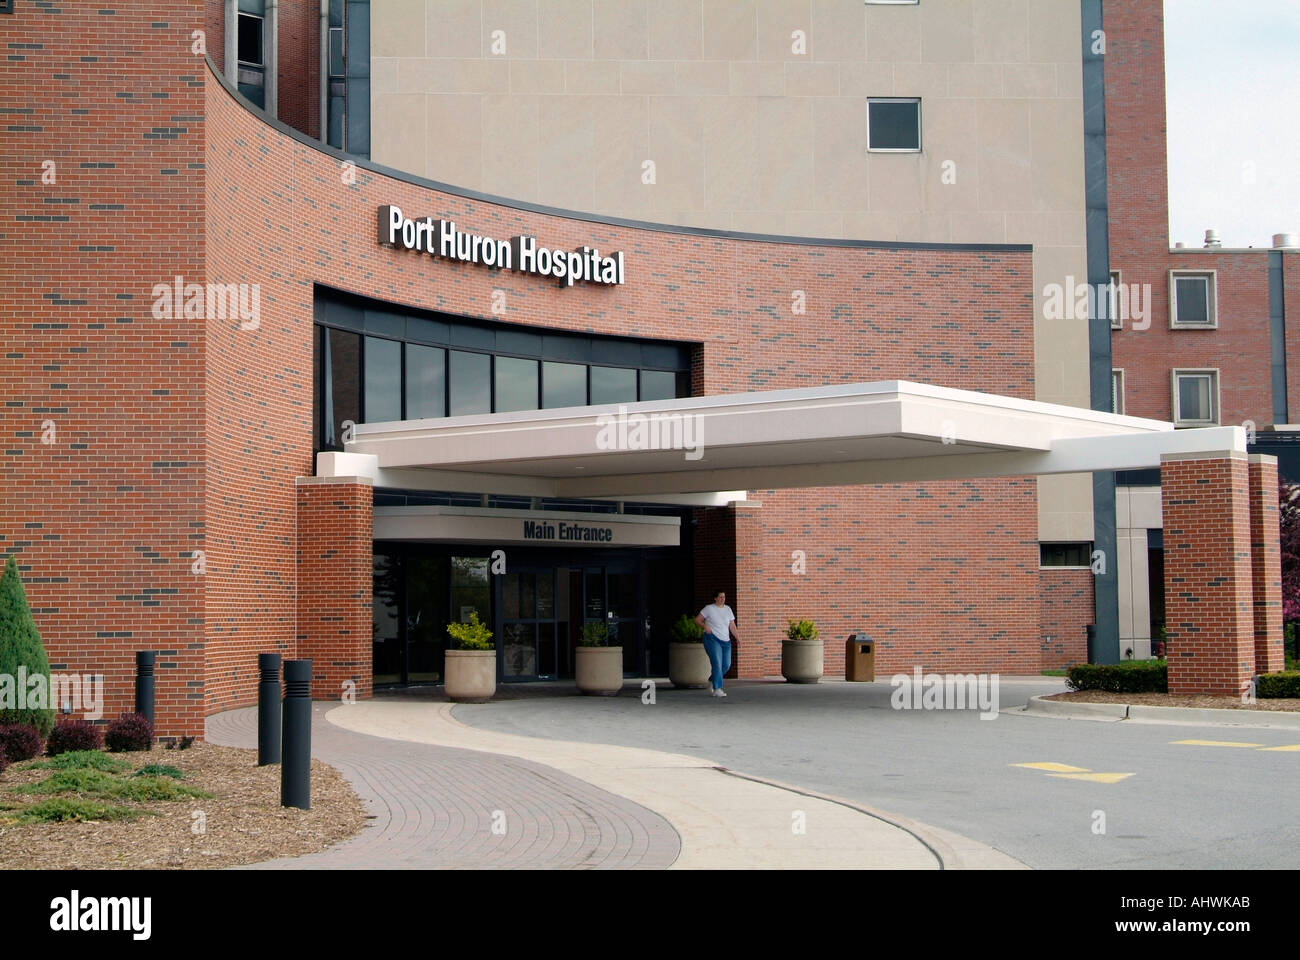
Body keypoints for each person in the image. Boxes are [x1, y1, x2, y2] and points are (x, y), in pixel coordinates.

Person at [695, 589, 739, 698]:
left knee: (726, 665)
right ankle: (717, 689)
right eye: (720, 597)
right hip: (712, 639)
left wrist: (738, 637)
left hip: (726, 640)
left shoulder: (728, 609)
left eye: (724, 597)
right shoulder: (709, 608)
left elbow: (732, 625)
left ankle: (712, 679)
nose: (722, 599)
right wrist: (705, 626)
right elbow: (697, 620)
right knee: (717, 664)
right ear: (715, 598)